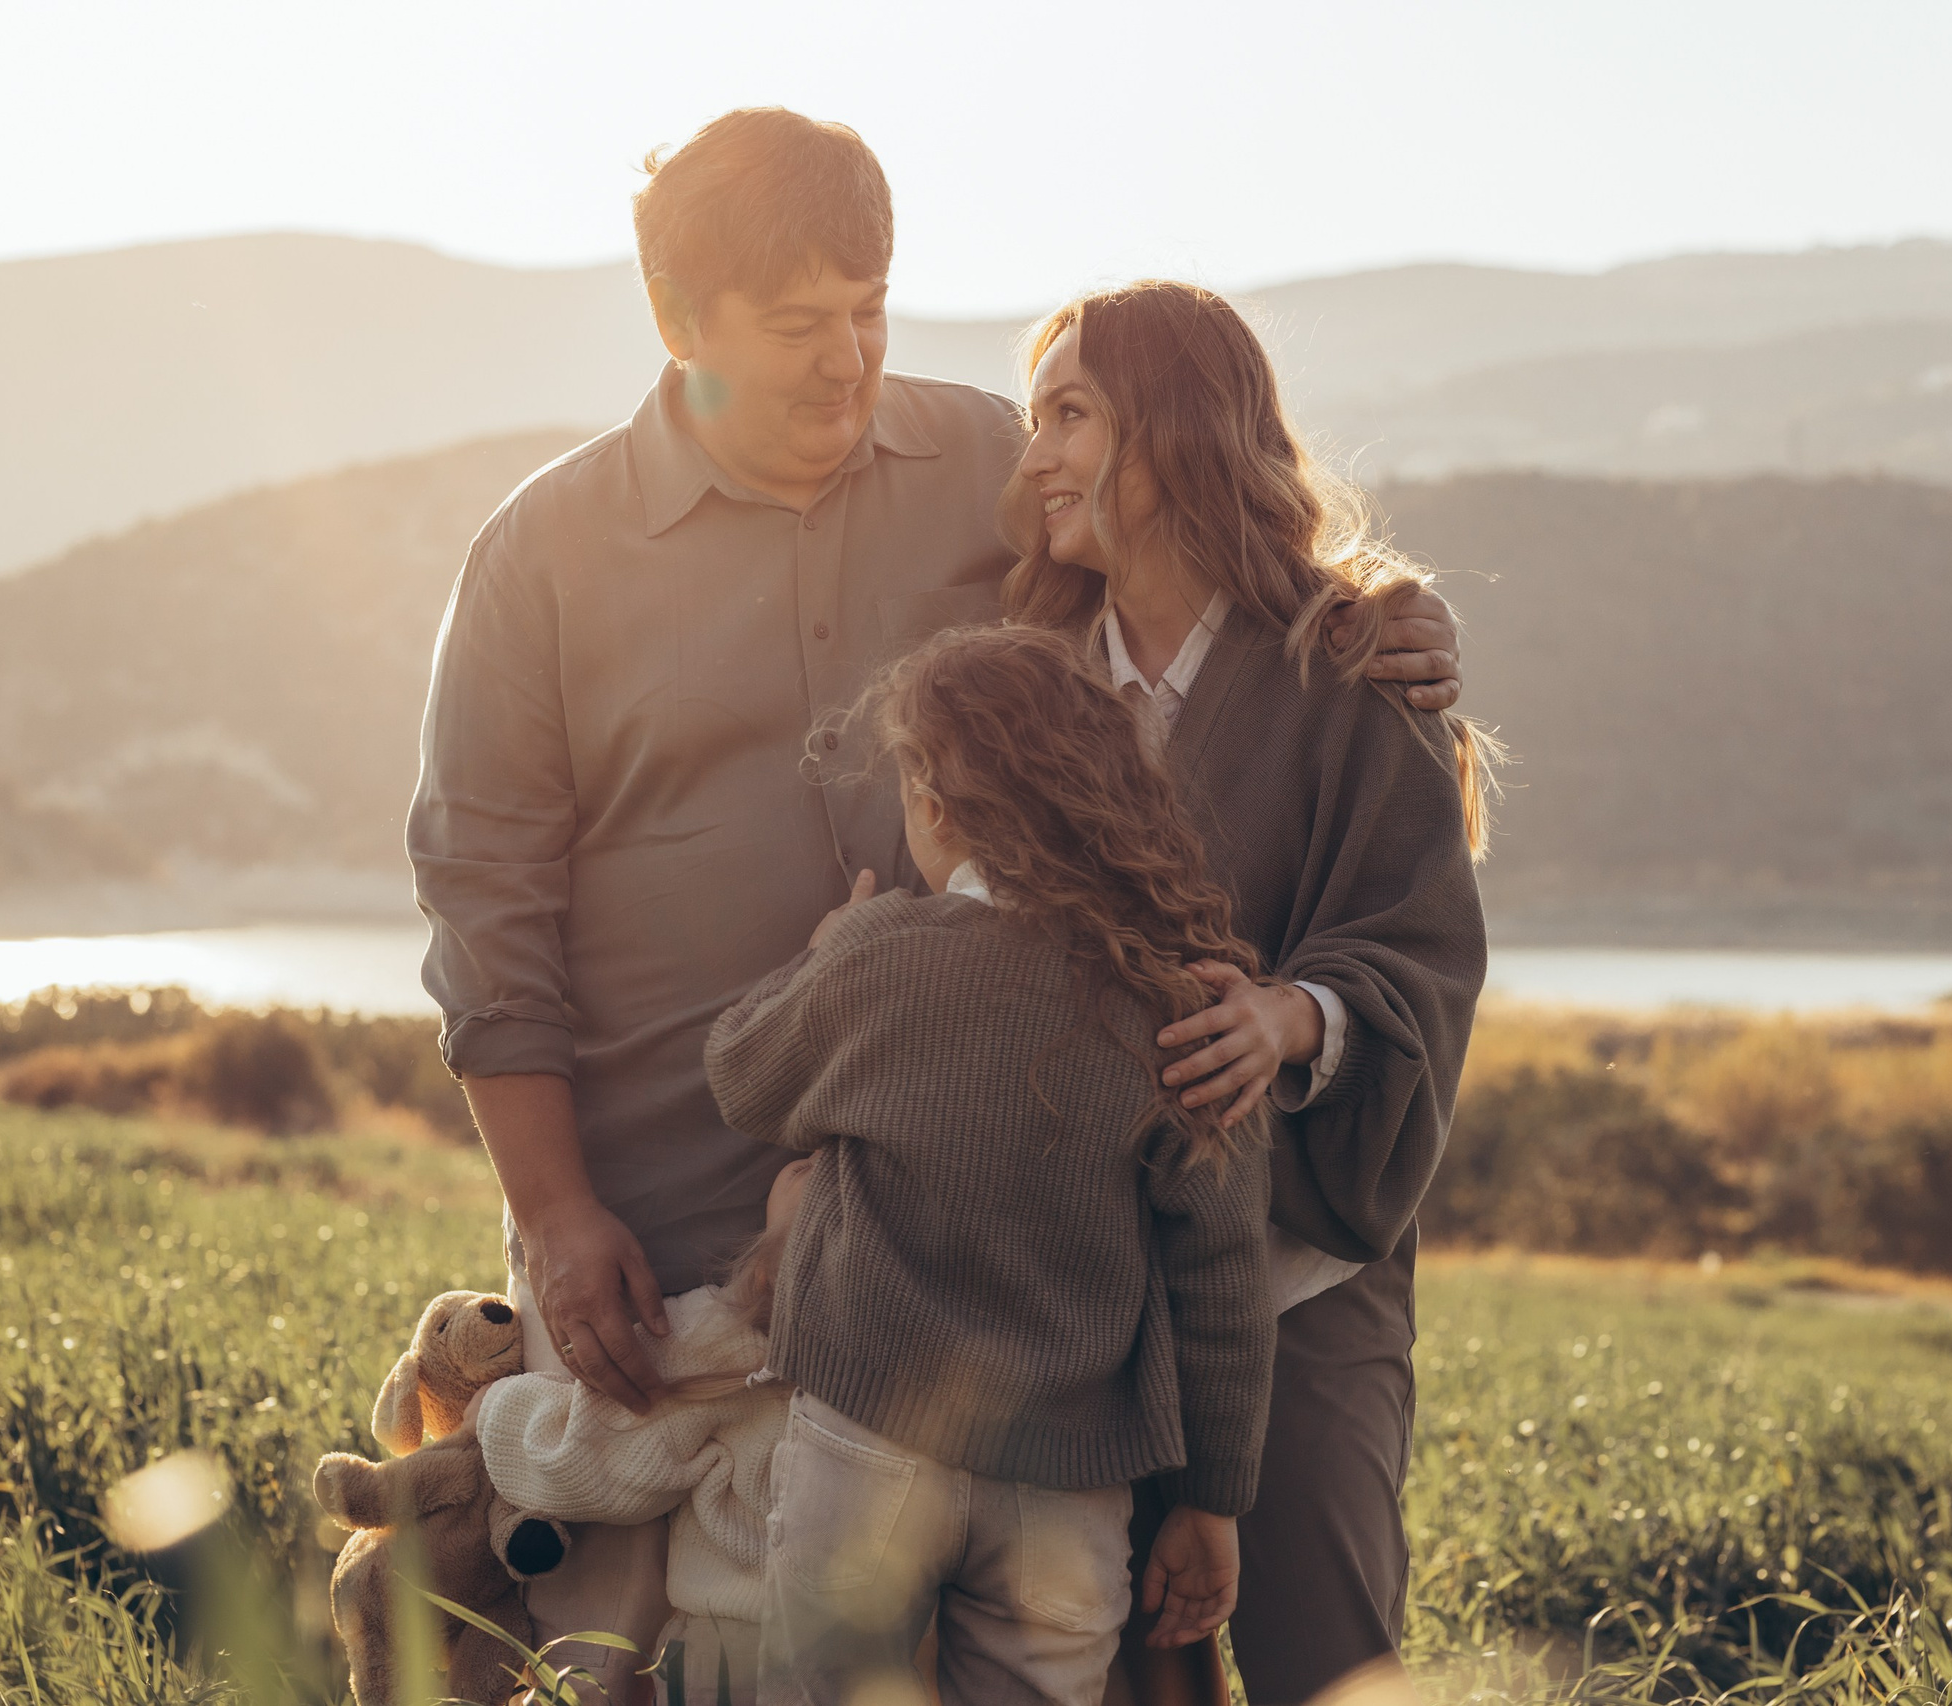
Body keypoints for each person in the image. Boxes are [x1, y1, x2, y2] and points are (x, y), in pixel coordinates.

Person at [407, 107, 1466, 1692]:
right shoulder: (537, 559)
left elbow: (1198, 552)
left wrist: (1380, 612)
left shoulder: (992, 462)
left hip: (981, 1238)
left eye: (872, 308)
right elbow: (485, 917)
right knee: (622, 1654)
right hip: (657, 1222)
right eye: (798, 327)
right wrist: (559, 1217)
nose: (850, 360)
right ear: (682, 325)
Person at [1002, 281, 1491, 1705]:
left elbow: (1422, 946)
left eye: (1071, 414)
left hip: (1301, 1284)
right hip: (1082, 1290)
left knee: (1323, 1653)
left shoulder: (1354, 672)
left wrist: (1291, 1018)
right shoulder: (1024, 690)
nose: (1033, 455)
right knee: (1110, 1670)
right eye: (1033, 418)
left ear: (1180, 434)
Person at [704, 624, 1276, 1705]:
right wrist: (1211, 1502)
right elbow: (1224, 1285)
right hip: (1067, 1484)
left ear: (930, 798)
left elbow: (743, 1076)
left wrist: (826, 951)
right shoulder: (1182, 1006)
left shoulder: (880, 955)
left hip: (865, 1440)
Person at [469, 1157, 813, 1706]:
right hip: (871, 1652)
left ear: (772, 1270)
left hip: (730, 1651)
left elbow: (593, 1457)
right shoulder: (942, 1358)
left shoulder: (737, 1338)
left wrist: (493, 1413)